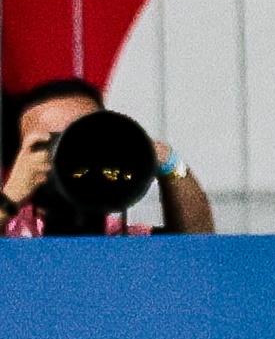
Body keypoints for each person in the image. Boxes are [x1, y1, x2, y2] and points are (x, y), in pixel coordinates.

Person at [2, 77, 214, 235]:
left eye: (84, 137)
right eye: (50, 141)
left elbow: (198, 248)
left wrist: (168, 163)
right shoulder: (9, 231)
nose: (70, 153)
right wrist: (11, 197)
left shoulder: (119, 236)